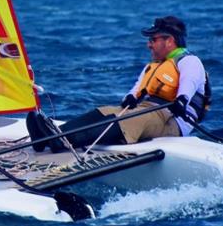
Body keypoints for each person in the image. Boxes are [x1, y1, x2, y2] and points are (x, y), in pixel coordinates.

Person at [27, 16, 210, 152]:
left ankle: (61, 142)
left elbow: (188, 85)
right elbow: (136, 89)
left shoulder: (189, 61)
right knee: (105, 112)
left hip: (172, 119)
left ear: (169, 40)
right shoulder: (153, 66)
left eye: (153, 40)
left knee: (131, 120)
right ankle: (49, 136)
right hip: (148, 108)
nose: (149, 45)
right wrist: (129, 97)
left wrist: (182, 100)